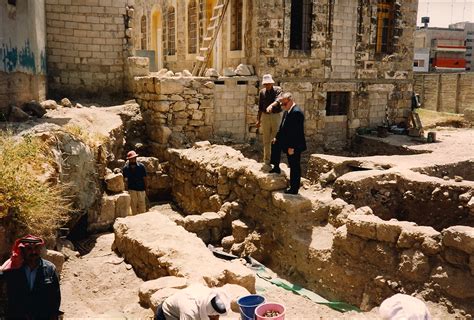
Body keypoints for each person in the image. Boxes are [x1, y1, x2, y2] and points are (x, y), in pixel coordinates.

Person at [0, 235, 61, 319]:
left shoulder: (50, 269)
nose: (33, 252)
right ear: (22, 250)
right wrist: (7, 265)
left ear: (40, 249)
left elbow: (55, 298)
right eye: (29, 249)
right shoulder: (13, 269)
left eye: (36, 248)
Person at [271, 92, 306, 195]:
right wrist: (276, 137)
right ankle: (275, 167)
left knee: (294, 166)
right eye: (281, 104)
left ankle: (294, 189)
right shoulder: (287, 111)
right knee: (275, 145)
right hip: (287, 141)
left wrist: (292, 147)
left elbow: (297, 133)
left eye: (284, 104)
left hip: (294, 145)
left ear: (290, 101)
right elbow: (282, 127)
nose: (282, 106)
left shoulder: (297, 113)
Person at [155, 284, 231, 320]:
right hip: (165, 315)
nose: (217, 319)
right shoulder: (189, 312)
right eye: (214, 317)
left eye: (218, 316)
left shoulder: (209, 295)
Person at [256, 74, 282, 169]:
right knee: (266, 140)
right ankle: (267, 161)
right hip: (265, 117)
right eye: (266, 84)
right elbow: (260, 107)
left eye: (269, 84)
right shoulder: (262, 92)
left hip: (275, 116)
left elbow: (279, 99)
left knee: (275, 139)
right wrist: (258, 120)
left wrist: (271, 105)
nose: (267, 85)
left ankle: (275, 162)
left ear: (272, 83)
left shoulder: (278, 90)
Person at [122, 150, 148, 215]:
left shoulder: (141, 167)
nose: (133, 160)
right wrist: (126, 189)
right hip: (132, 189)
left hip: (141, 189)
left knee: (142, 205)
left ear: (136, 158)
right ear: (129, 159)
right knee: (133, 205)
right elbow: (125, 180)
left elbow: (145, 178)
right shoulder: (125, 169)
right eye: (131, 159)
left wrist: (146, 188)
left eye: (134, 158)